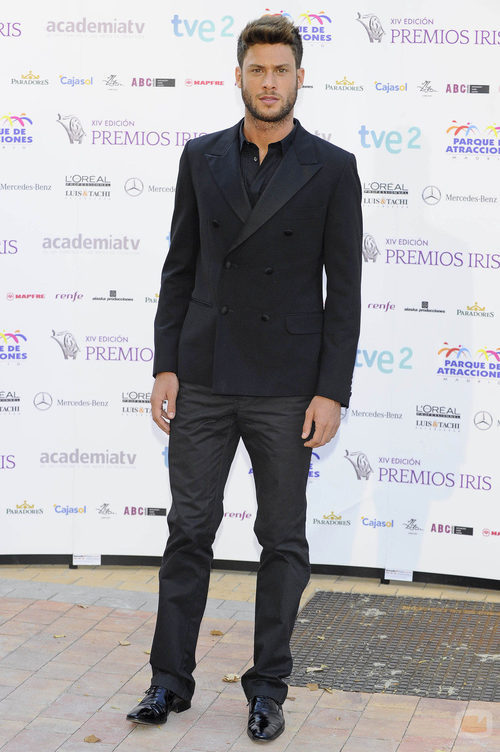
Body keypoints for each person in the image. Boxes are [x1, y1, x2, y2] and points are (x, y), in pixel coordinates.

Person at [126, 14, 362, 743]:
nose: (269, 82)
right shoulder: (201, 157)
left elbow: (344, 293)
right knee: (188, 531)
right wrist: (166, 363)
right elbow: (179, 267)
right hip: (203, 373)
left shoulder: (333, 168)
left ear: (299, 78)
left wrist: (332, 390)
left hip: (288, 385)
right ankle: (169, 681)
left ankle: (268, 688)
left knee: (282, 539)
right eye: (257, 69)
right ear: (238, 75)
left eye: (280, 70)